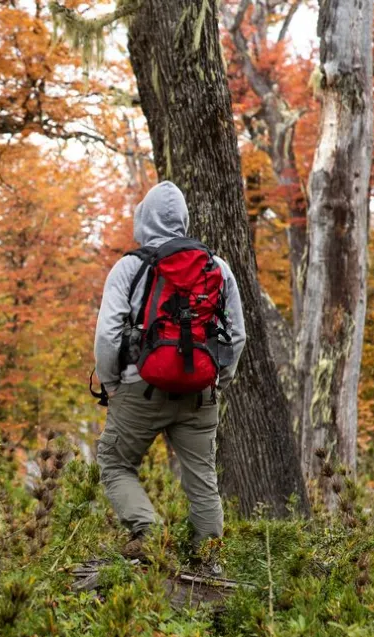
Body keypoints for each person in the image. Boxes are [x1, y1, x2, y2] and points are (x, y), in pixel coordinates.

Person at [93, 181, 246, 570]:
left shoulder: (131, 266)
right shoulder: (218, 267)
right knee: (202, 481)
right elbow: (237, 335)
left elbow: (108, 333)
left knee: (114, 463)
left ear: (143, 219)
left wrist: (111, 382)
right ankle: (208, 565)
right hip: (200, 392)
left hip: (139, 386)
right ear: (183, 220)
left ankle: (148, 534)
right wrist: (218, 381)